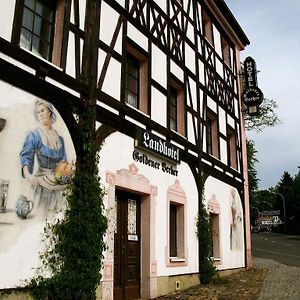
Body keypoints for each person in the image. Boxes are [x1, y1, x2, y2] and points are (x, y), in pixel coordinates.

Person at [20, 99, 68, 217]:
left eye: (42, 111)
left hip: (58, 183)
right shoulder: (34, 135)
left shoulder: (60, 138)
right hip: (42, 183)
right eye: (38, 112)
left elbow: (63, 162)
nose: (40, 114)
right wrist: (27, 175)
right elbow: (26, 156)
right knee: (41, 218)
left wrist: (65, 174)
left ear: (50, 112)